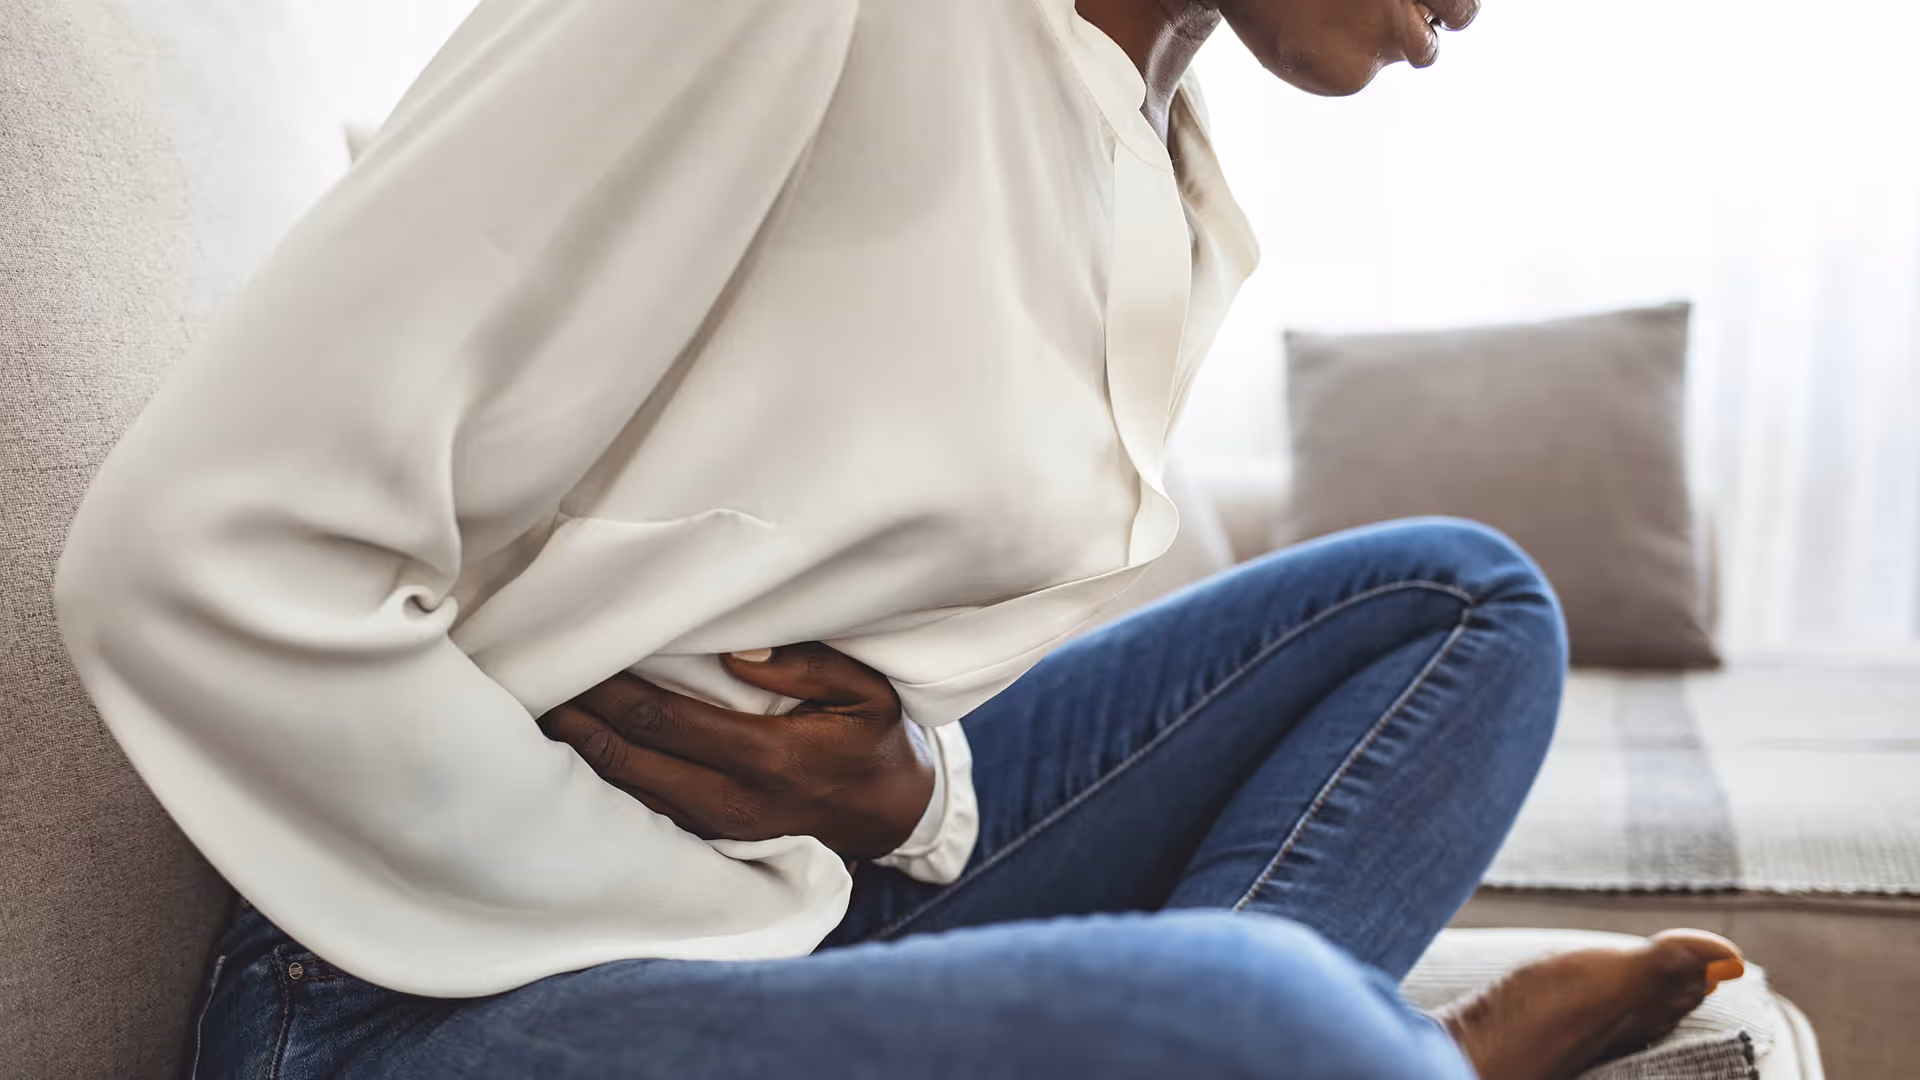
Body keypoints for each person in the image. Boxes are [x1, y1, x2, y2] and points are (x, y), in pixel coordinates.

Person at [55, 0, 1745, 1077]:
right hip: (425, 986)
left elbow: (849, 654)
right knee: (1252, 1012)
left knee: (1459, 607)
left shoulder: (1153, 159)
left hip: (807, 899)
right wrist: (722, 893)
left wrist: (913, 803)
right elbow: (194, 553)